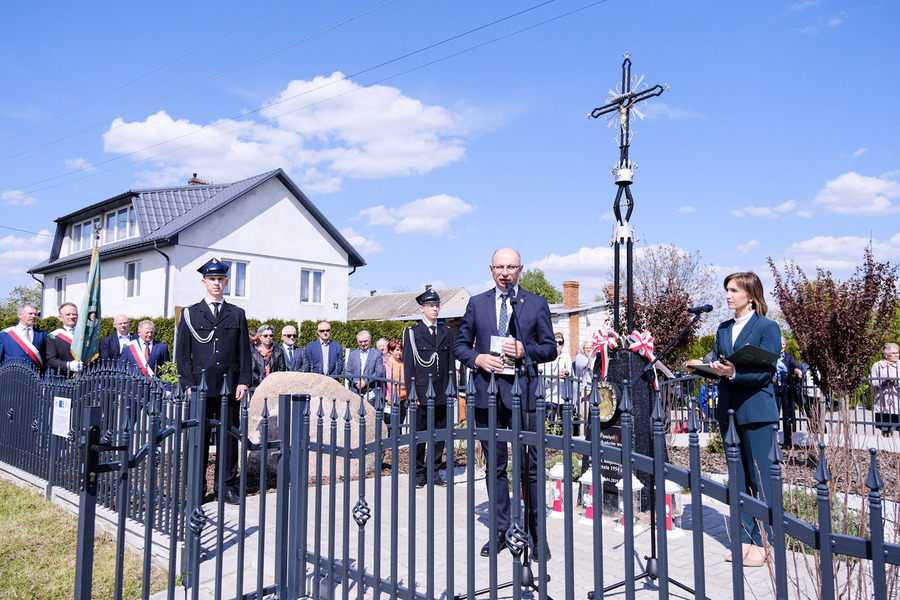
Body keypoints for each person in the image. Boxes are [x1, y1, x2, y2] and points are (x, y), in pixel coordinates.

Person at [453, 248, 557, 561]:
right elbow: (460, 345)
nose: (505, 272)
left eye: (511, 267)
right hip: (488, 396)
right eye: (499, 266)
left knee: (530, 468)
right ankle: (501, 530)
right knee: (495, 467)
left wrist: (526, 351)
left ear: (520, 269)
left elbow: (550, 348)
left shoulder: (535, 303)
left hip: (524, 395)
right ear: (491, 269)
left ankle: (535, 533)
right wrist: (478, 359)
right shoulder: (477, 303)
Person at [708, 271, 780, 568]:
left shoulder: (767, 327)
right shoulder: (723, 328)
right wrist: (707, 366)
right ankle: (744, 539)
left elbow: (765, 372)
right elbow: (717, 358)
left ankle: (764, 541)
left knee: (759, 477)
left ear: (750, 295)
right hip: (728, 409)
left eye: (734, 290)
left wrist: (734, 373)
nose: (728, 295)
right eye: (727, 289)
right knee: (737, 477)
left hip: (756, 410)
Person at [176, 258, 252, 505]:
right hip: (200, 386)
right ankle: (197, 488)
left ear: (226, 282)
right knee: (198, 438)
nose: (216, 283)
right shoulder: (190, 313)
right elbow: (182, 354)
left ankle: (226, 487)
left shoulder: (237, 314)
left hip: (229, 386)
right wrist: (188, 384)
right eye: (212, 279)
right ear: (204, 282)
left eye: (220, 279)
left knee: (228, 438)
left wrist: (244, 381)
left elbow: (244, 351)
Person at [403, 288, 453, 488]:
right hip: (421, 391)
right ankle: (418, 472)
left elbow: (450, 363)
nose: (435, 309)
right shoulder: (412, 333)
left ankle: (434, 471)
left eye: (437, 305)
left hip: (441, 390)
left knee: (439, 434)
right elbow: (409, 365)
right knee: (419, 434)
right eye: (431, 306)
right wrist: (412, 392)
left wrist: (452, 389)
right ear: (422, 308)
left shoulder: (446, 332)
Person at [0, 301, 46, 371]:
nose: (34, 316)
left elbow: (46, 359)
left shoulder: (42, 335)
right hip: (11, 374)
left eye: (35, 314)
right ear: (20, 315)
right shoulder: (5, 334)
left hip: (34, 375)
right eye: (30, 313)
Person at [46, 302, 83, 377]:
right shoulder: (53, 336)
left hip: (85, 377)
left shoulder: (86, 334)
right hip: (64, 377)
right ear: (60, 318)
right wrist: (68, 365)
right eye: (68, 314)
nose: (71, 317)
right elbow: (51, 360)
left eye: (74, 314)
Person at [345, 330, 385, 399]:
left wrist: (365, 382)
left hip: (372, 393)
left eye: (365, 341)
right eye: (360, 342)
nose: (363, 344)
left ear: (370, 340)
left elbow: (379, 372)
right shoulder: (352, 354)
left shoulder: (377, 354)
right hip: (355, 392)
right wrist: (357, 383)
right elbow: (347, 372)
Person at [870, 342, 899, 437]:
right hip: (883, 403)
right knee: (886, 430)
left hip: (898, 402)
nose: (896, 355)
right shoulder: (877, 365)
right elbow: (871, 382)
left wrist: (896, 382)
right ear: (886, 355)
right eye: (893, 353)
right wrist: (884, 381)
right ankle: (888, 445)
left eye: (897, 353)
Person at [384, 340, 407, 425]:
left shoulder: (403, 362)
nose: (399, 352)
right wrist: (388, 397)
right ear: (391, 350)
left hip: (403, 399)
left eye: (401, 350)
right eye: (397, 350)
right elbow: (383, 382)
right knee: (390, 423)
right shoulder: (386, 363)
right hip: (391, 399)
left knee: (400, 423)